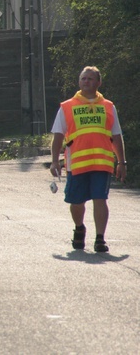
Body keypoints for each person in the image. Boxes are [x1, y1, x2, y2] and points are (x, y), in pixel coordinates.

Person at [50, 66, 126, 253]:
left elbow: (116, 135)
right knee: (76, 202)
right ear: (79, 81)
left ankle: (100, 238)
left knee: (100, 198)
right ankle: (79, 228)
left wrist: (122, 162)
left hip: (102, 163)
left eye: (91, 79)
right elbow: (58, 135)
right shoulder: (67, 106)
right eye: (83, 78)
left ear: (98, 83)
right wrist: (54, 161)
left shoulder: (108, 106)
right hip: (77, 164)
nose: (86, 82)